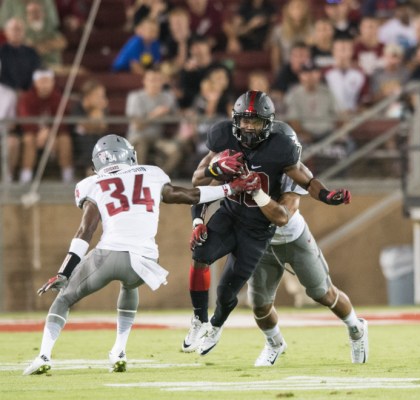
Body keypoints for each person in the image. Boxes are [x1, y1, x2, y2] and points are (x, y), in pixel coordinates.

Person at [23, 134, 262, 376]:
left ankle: (43, 355)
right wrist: (230, 188)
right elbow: (188, 195)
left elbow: (86, 231)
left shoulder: (91, 184)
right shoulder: (151, 173)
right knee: (129, 286)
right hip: (144, 262)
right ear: (130, 155)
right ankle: (119, 351)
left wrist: (64, 272)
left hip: (109, 254)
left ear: (98, 163)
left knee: (64, 299)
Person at [181, 90, 351, 355]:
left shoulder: (283, 156)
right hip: (231, 215)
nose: (249, 127)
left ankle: (215, 325)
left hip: (262, 229)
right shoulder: (225, 140)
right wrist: (199, 214)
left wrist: (327, 196)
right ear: (235, 120)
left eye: (256, 122)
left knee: (231, 290)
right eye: (245, 121)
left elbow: (287, 209)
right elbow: (201, 183)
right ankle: (200, 320)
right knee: (200, 253)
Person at [191, 175, 368, 366]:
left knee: (322, 292)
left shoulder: (288, 168)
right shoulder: (244, 164)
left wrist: (257, 192)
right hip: (260, 242)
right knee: (259, 304)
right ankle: (274, 343)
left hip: (294, 239)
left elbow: (282, 216)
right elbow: (205, 183)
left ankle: (356, 328)